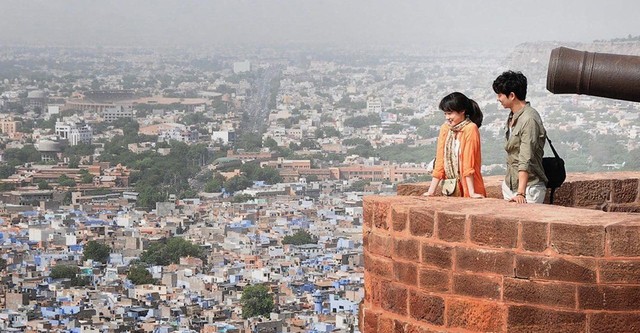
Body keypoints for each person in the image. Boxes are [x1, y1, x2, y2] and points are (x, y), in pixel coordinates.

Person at [492, 70, 548, 204]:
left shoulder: (528, 119)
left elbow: (525, 157)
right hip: (511, 184)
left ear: (511, 95)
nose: (498, 98)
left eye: (500, 94)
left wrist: (521, 193)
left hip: (528, 188)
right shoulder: (514, 115)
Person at [424, 92, 486, 198]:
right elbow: (440, 161)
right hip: (451, 187)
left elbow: (468, 162)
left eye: (450, 113)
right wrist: (431, 191)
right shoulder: (445, 128)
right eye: (445, 114)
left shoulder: (470, 128)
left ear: (462, 111)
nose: (447, 117)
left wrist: (471, 193)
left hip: (470, 186)